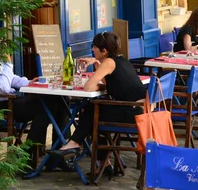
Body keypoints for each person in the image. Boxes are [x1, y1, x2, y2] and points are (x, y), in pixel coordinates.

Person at [0, 25, 69, 167]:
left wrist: (28, 82)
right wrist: (7, 62)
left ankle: (59, 153)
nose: (0, 37)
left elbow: (10, 78)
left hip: (6, 100)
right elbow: (2, 87)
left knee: (60, 100)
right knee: (45, 106)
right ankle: (27, 155)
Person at [50, 32, 146, 160]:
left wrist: (97, 77)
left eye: (94, 47)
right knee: (95, 109)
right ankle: (103, 163)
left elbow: (88, 87)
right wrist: (96, 63)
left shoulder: (109, 62)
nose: (92, 49)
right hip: (140, 111)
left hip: (131, 114)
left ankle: (74, 144)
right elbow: (108, 83)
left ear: (104, 50)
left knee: (91, 110)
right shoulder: (122, 60)